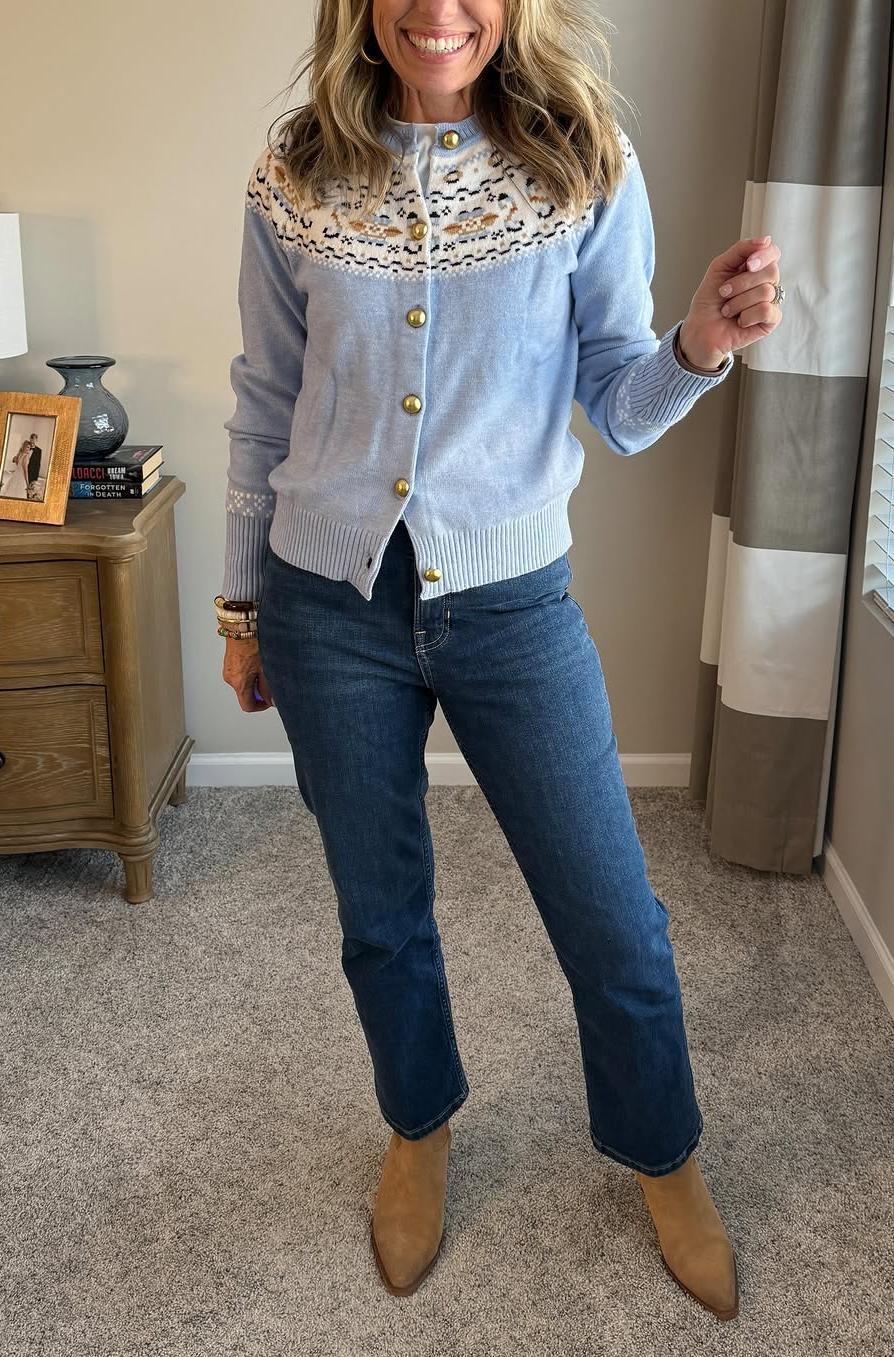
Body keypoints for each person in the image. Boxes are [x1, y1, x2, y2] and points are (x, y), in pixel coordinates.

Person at [216, 0, 783, 1319]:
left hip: (511, 600)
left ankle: (662, 1151)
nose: (438, 10)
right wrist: (242, 607)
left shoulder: (581, 162)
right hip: (324, 600)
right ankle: (417, 1127)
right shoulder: (295, 173)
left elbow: (617, 403)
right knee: (379, 911)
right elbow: (264, 399)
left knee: (611, 915)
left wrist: (699, 346)